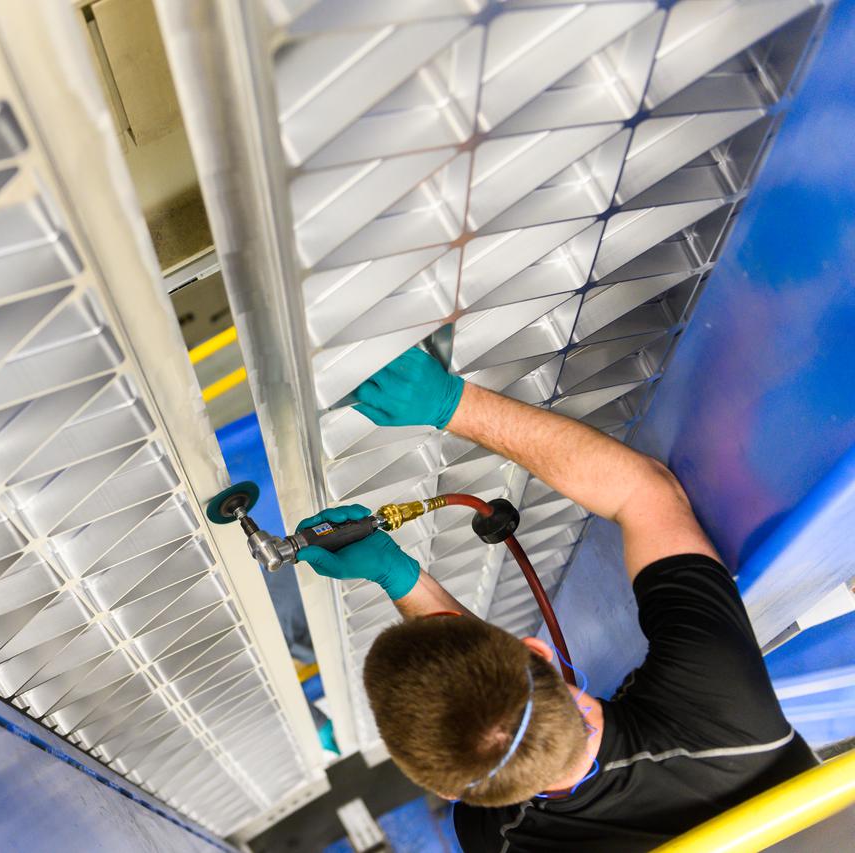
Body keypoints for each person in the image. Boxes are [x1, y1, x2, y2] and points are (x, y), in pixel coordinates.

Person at [294, 346, 817, 851]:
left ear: (451, 791)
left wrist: (400, 575)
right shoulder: (725, 726)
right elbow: (644, 495)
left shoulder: (498, 836)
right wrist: (450, 404)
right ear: (539, 652)